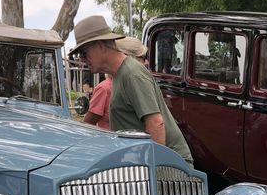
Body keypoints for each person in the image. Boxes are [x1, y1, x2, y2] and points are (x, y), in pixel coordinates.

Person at [71, 16, 193, 164]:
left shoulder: (132, 73)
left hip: (171, 166)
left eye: (84, 53)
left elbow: (156, 123)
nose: (82, 60)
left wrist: (152, 172)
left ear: (101, 46)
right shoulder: (120, 75)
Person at [83, 37, 148, 130]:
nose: (146, 62)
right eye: (142, 57)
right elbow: (88, 123)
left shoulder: (137, 83)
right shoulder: (104, 89)